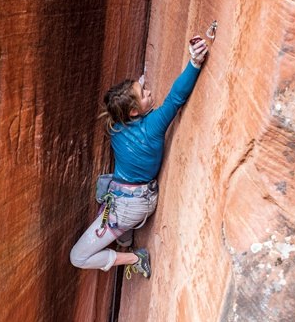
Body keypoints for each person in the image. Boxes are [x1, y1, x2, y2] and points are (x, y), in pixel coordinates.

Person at [70, 37, 209, 279]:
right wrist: (194, 62)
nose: (149, 91)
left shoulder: (114, 125)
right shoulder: (152, 126)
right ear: (133, 112)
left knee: (79, 254)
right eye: (144, 92)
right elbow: (174, 99)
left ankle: (133, 251)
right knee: (80, 253)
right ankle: (129, 246)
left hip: (129, 203)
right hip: (131, 201)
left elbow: (170, 98)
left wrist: (194, 63)